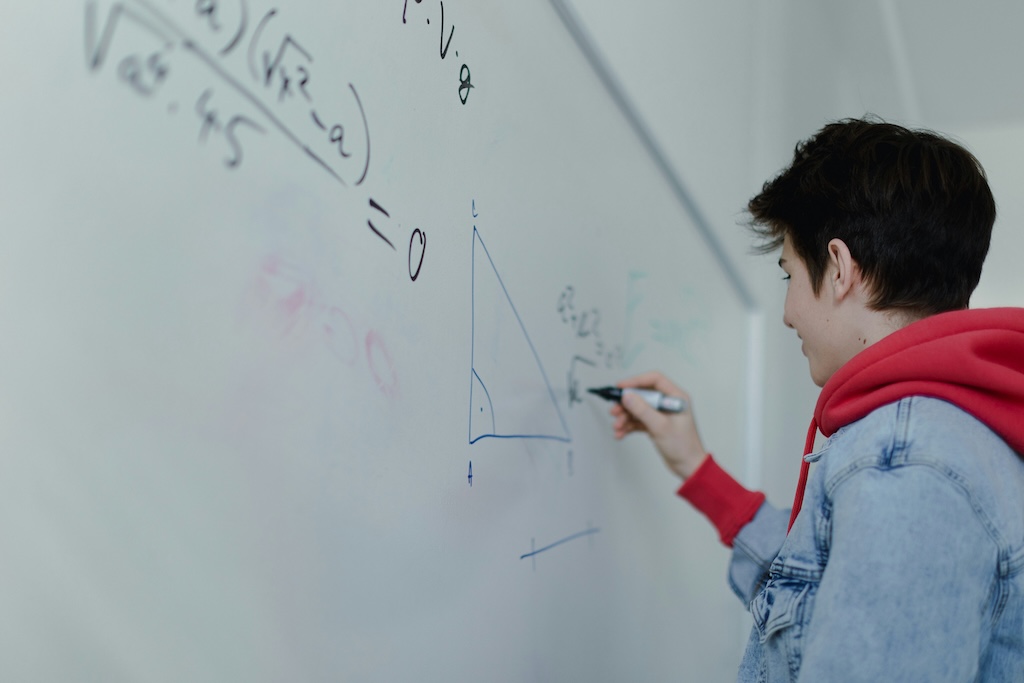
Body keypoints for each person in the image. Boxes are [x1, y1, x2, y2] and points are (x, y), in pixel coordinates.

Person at [609, 118, 1024, 681]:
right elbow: (813, 594)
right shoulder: (947, 437)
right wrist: (696, 468)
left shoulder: (905, 462)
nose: (787, 313)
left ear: (838, 267)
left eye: (788, 274)